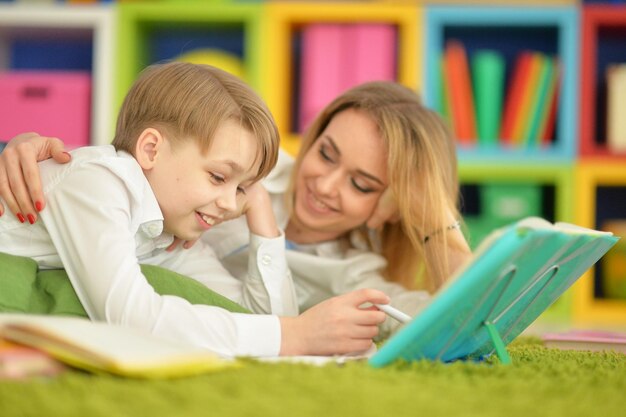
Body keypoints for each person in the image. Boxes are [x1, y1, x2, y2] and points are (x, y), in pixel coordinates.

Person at [0, 81, 470, 339]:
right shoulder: (233, 166)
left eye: (362, 185)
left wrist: (434, 217)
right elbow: (132, 159)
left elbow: (465, 318)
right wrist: (22, 145)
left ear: (389, 208)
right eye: (325, 153)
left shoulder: (352, 272)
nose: (323, 185)